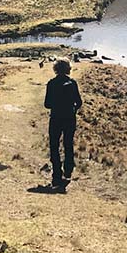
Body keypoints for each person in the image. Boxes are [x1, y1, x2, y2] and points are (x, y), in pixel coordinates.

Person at [44, 58, 82, 189]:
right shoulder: (72, 83)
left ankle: (57, 174)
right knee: (68, 143)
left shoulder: (51, 83)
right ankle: (68, 170)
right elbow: (79, 102)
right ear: (68, 69)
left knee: (54, 145)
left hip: (55, 118)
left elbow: (47, 104)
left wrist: (56, 104)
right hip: (69, 118)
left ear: (55, 69)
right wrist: (72, 109)